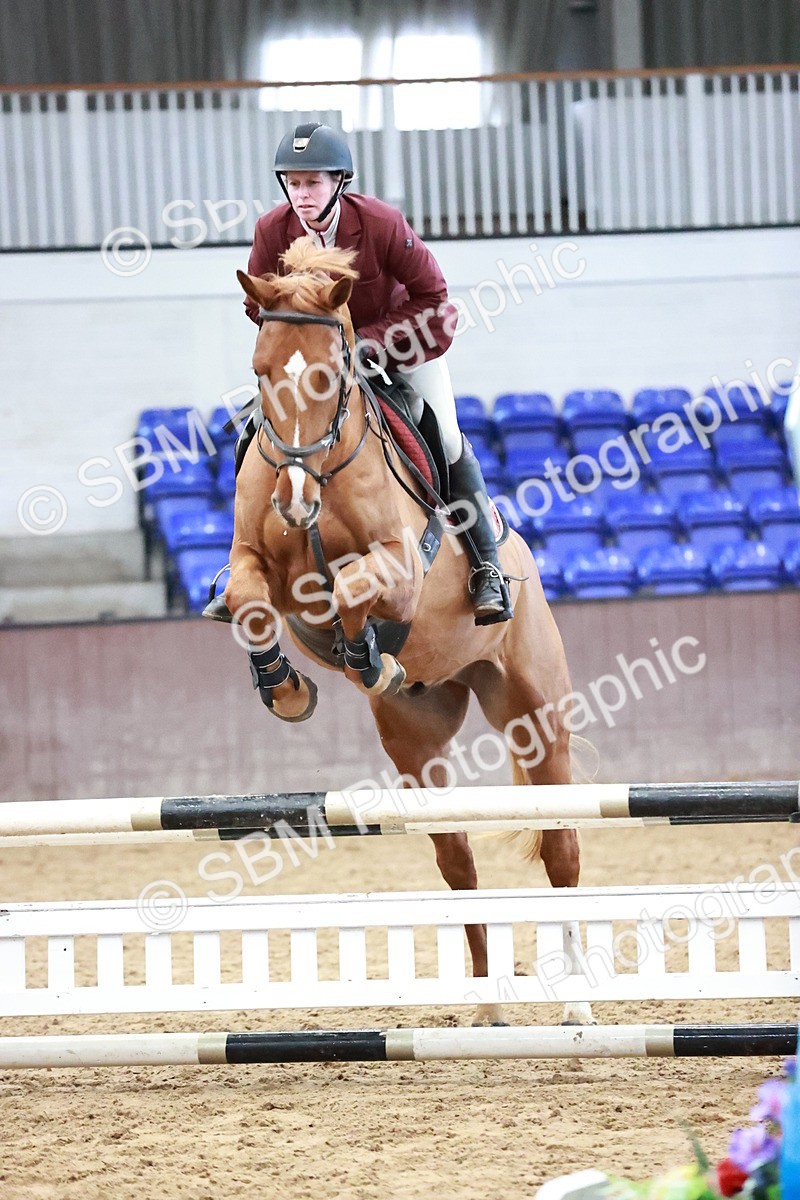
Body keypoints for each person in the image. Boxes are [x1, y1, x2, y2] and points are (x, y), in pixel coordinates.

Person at [204, 122, 512, 626]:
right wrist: (304, 343)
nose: (301, 196)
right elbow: (257, 305)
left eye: (313, 183)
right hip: (318, 365)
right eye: (294, 184)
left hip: (400, 349)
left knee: (448, 439)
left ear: (339, 182)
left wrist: (365, 343)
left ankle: (486, 567)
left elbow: (435, 301)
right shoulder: (270, 230)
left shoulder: (380, 224)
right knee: (254, 435)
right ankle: (241, 565)